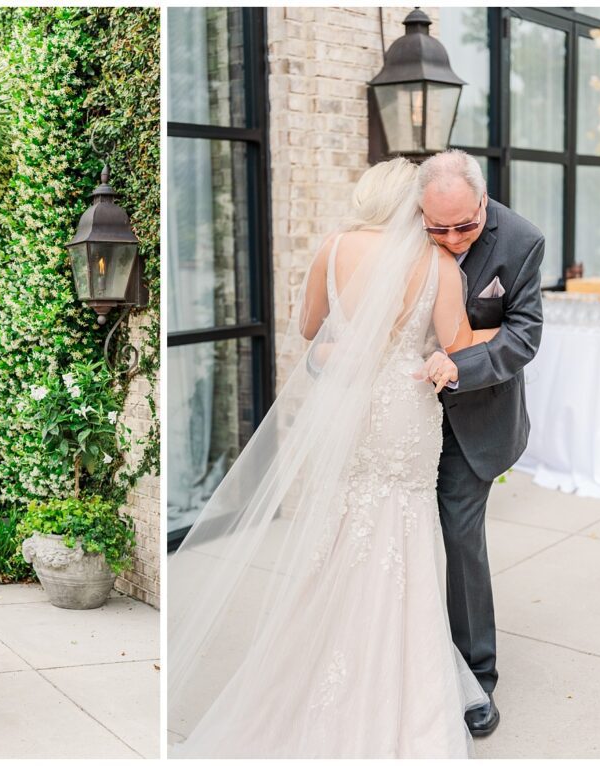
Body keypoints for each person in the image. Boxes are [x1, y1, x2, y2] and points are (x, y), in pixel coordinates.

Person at [168, 157, 504, 757]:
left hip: (350, 403)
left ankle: (323, 655)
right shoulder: (436, 264)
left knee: (346, 526)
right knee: (403, 529)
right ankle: (400, 669)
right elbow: (454, 346)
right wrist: (500, 332)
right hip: (406, 408)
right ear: (415, 207)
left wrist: (346, 341)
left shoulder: (333, 246)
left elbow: (307, 328)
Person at [416, 150, 545, 736]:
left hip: (477, 417)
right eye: (436, 228)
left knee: (461, 537)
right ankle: (401, 660)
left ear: (484, 202)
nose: (450, 239)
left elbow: (523, 335)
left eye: (464, 226)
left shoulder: (521, 241)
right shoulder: (405, 234)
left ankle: (475, 676)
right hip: (402, 414)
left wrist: (459, 362)